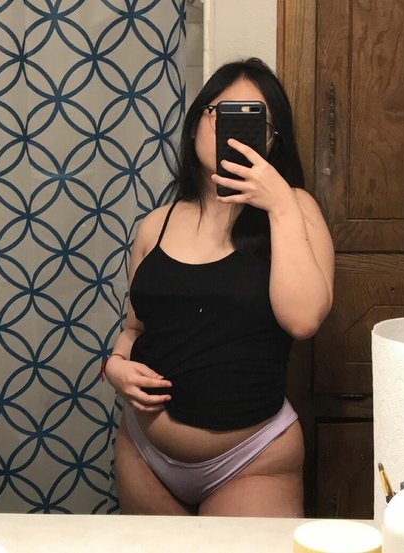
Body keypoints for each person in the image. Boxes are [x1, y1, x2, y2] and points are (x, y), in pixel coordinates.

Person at [103, 57, 334, 516]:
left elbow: (304, 319)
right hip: (143, 453)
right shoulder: (154, 225)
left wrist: (279, 205)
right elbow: (135, 329)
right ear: (194, 126)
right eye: (222, 113)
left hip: (253, 461)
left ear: (273, 141)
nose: (235, 132)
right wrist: (114, 368)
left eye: (256, 123)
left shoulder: (295, 209)